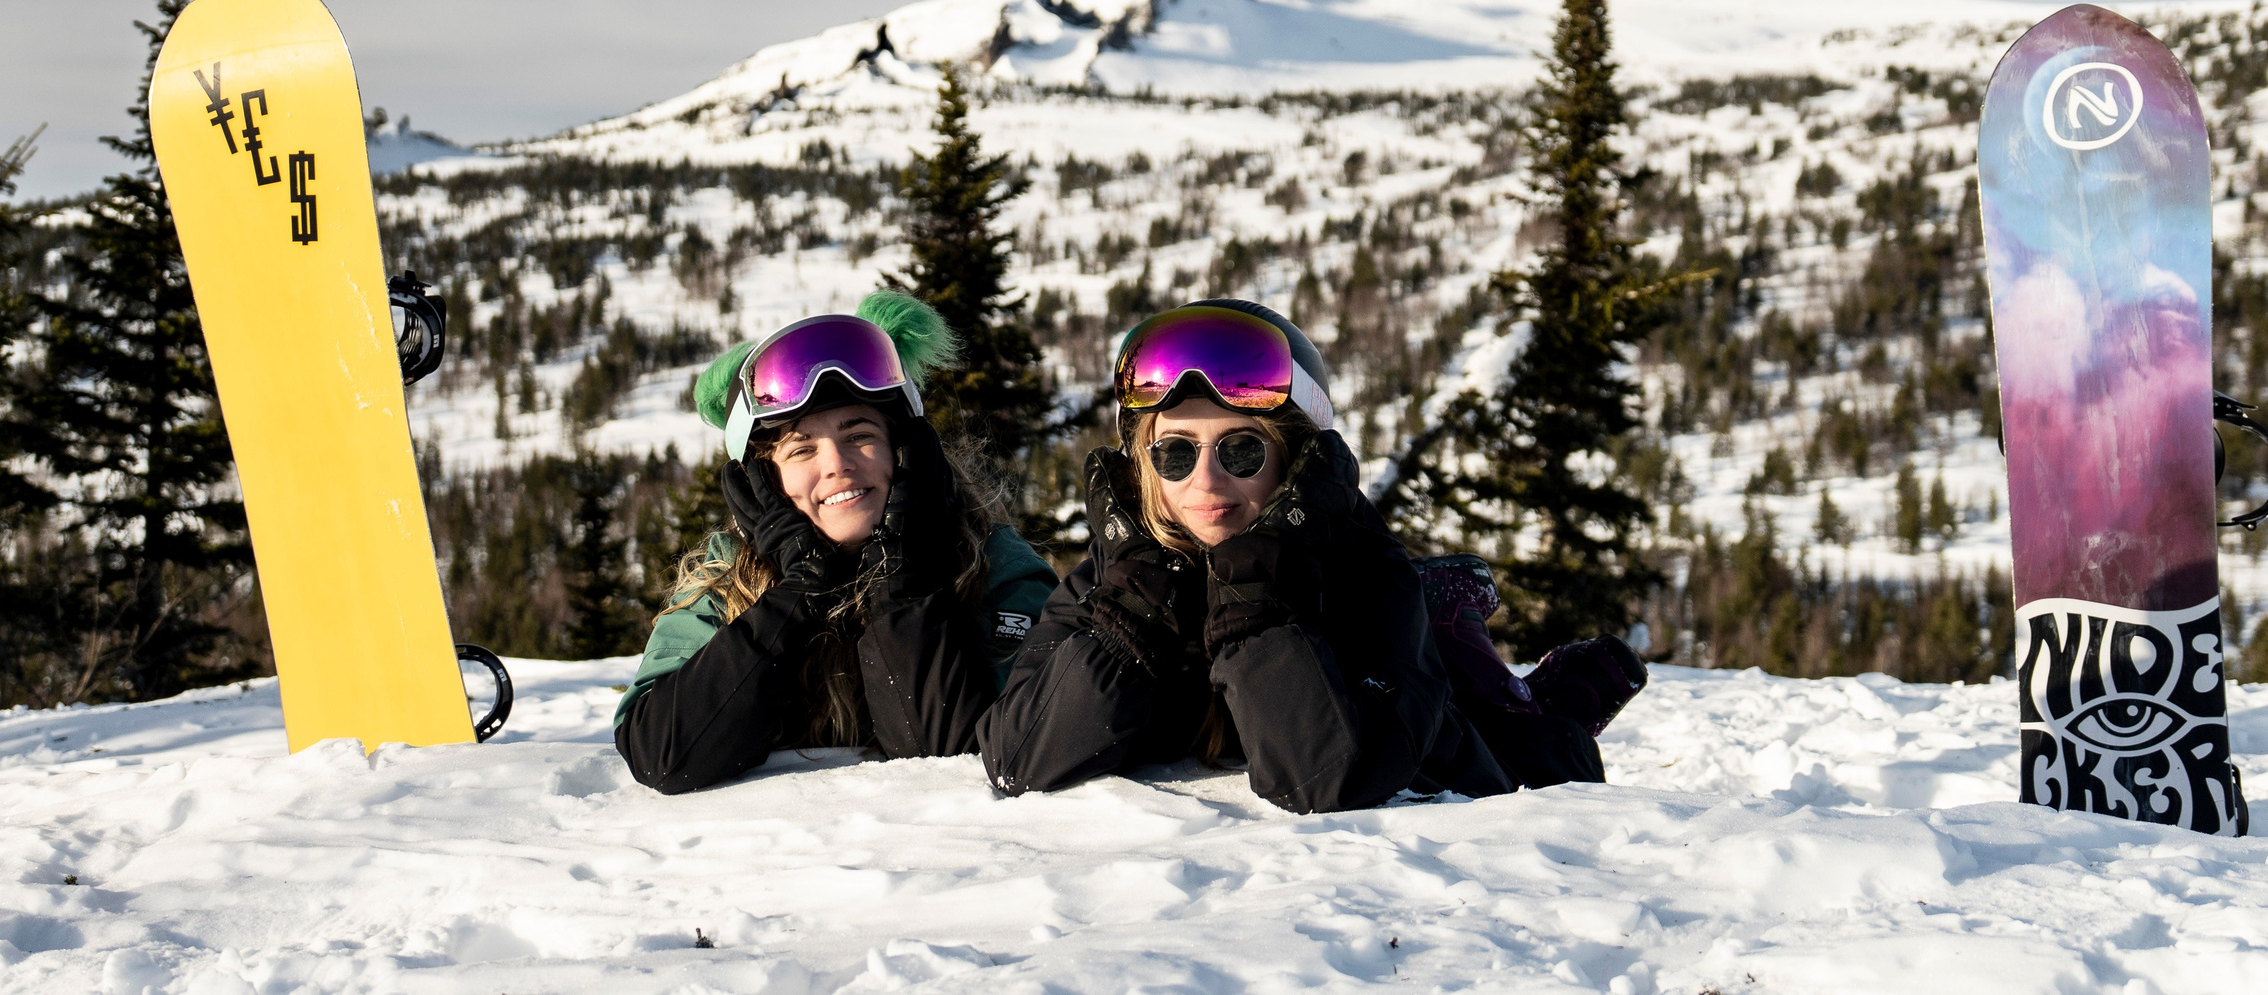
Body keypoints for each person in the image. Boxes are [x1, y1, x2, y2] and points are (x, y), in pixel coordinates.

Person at [980, 300, 1644, 813]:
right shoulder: (1120, 572)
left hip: (1469, 749)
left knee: (1523, 733)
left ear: (1294, 461)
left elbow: (1321, 777)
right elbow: (1018, 756)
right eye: (1176, 453)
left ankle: (1507, 671)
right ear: (1145, 466)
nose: (1205, 483)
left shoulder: (1363, 573)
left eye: (1241, 451)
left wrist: (1256, 598)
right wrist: (1130, 614)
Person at [616, 291, 1057, 793]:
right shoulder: (724, 582)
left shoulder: (994, 565)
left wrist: (900, 573)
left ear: (906, 451)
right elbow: (662, 755)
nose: (837, 465)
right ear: (764, 484)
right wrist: (798, 591)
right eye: (802, 448)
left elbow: (951, 767)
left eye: (860, 435)